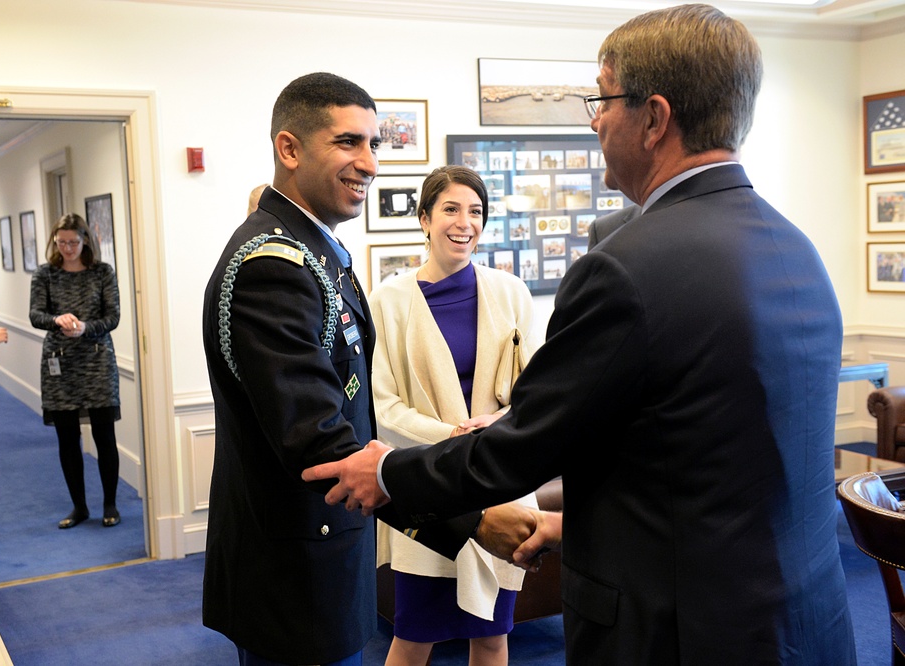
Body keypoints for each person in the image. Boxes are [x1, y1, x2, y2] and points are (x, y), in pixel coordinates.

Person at [303, 5, 857, 664]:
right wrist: (587, 524)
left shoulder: (626, 268)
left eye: (603, 99)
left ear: (653, 118)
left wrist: (389, 471)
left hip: (679, 632)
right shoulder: (797, 248)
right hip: (802, 620)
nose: (593, 119)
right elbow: (717, 458)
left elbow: (522, 448)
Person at [201, 72, 535, 666]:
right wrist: (472, 519)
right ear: (289, 148)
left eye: (374, 144)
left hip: (327, 548)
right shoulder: (272, 266)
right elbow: (324, 446)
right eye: (348, 142)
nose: (370, 162)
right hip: (296, 568)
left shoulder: (313, 252)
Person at [370, 165, 540, 666]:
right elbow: (382, 406)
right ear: (424, 218)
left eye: (475, 212)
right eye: (450, 209)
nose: (464, 222)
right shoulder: (389, 301)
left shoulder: (511, 293)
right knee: (414, 635)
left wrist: (495, 427)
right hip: (426, 485)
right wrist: (453, 435)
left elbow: (538, 393)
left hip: (498, 482)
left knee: (492, 635)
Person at [29, 212, 122, 529]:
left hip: (96, 361)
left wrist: (85, 327)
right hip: (60, 364)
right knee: (67, 438)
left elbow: (112, 317)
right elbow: (35, 315)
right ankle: (79, 506)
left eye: (73, 242)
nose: (67, 248)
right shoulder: (46, 274)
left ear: (86, 241)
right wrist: (58, 320)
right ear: (54, 241)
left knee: (103, 435)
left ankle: (110, 504)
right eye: (61, 242)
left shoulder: (102, 273)